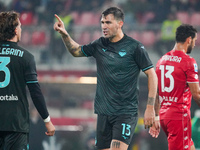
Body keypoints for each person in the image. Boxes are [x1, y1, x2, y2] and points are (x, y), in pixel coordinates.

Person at [54, 6, 157, 150]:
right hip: (103, 113)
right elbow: (76, 51)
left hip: (125, 112)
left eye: (108, 22)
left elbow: (152, 75)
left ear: (120, 24)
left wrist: (150, 108)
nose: (104, 26)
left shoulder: (135, 47)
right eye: (102, 22)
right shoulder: (99, 44)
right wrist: (65, 34)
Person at [0, 11, 55, 150]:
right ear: (15, 30)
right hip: (16, 123)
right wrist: (47, 120)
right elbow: (35, 92)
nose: (22, 29)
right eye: (20, 25)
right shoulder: (26, 57)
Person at [149, 24, 200, 150]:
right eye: (194, 41)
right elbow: (196, 94)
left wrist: (156, 116)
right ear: (189, 39)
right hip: (179, 116)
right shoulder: (188, 61)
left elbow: (156, 91)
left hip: (164, 116)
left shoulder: (162, 60)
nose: (194, 44)